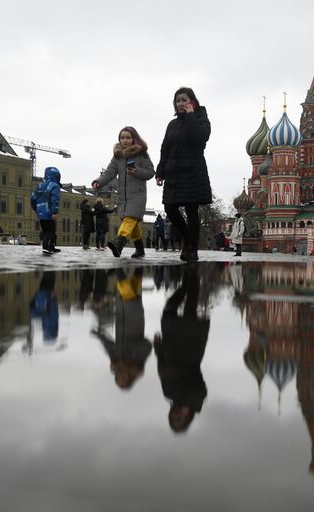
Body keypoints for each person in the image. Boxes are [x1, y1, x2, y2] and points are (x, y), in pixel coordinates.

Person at [155, 87, 212, 263]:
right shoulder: (172, 124)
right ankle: (188, 238)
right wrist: (160, 171)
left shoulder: (201, 119)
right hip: (173, 172)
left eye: (184, 100)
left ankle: (192, 249)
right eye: (178, 100)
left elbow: (200, 138)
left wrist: (190, 116)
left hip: (193, 171)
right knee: (169, 208)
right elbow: (165, 148)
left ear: (192, 102)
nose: (180, 103)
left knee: (191, 210)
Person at [154, 266, 209, 433]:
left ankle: (186, 283)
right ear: (187, 418)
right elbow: (198, 385)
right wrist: (187, 403)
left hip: (170, 343)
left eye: (173, 417)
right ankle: (193, 277)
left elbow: (161, 370)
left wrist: (158, 348)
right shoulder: (197, 400)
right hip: (189, 350)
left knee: (168, 308)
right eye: (179, 419)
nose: (176, 415)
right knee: (190, 308)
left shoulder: (168, 394)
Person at [92, 126, 155, 259]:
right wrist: (98, 182)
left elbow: (150, 172)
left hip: (137, 195)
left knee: (129, 219)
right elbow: (109, 172)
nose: (125, 140)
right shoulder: (117, 157)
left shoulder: (142, 155)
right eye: (122, 138)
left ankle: (119, 243)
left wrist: (136, 171)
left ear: (134, 139)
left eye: (128, 137)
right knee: (132, 223)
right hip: (123, 196)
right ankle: (140, 249)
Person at [91, 268, 152, 390]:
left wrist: (99, 335)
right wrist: (132, 346)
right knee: (130, 292)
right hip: (134, 317)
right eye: (123, 380)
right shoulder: (138, 362)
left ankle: (138, 267)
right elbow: (148, 345)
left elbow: (108, 345)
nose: (120, 377)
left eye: (118, 379)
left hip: (121, 314)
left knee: (132, 288)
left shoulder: (116, 361)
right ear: (129, 378)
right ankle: (119, 271)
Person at [31, 166, 62, 255]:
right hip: (49, 212)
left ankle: (51, 247)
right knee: (50, 231)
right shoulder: (55, 186)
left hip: (40, 212)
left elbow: (33, 198)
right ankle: (47, 248)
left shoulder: (40, 185)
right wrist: (54, 212)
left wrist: (36, 208)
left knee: (45, 230)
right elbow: (55, 200)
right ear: (57, 176)